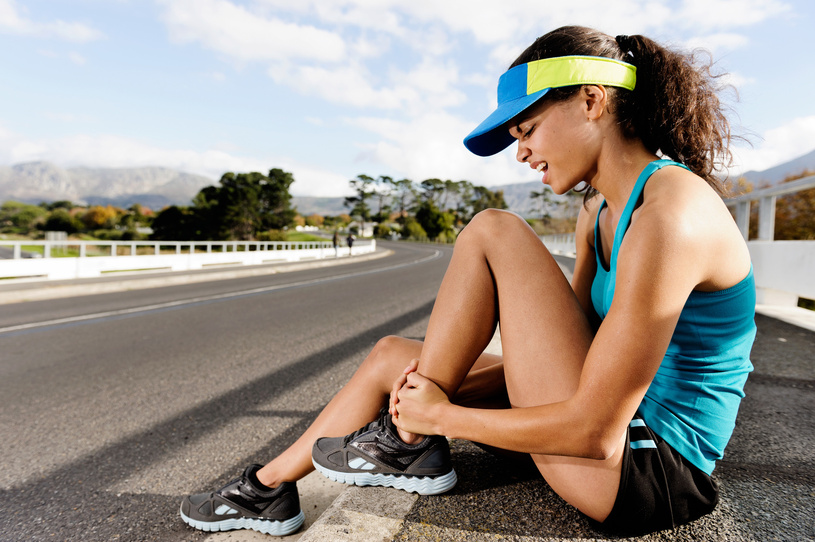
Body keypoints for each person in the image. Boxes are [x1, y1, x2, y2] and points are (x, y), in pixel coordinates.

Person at [179, 25, 756, 537]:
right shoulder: (598, 211)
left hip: (642, 470)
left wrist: (441, 416)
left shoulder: (670, 216)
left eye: (526, 128)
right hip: (602, 425)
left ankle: (407, 444)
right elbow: (571, 353)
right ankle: (267, 487)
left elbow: (594, 431)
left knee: (494, 231)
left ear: (592, 101)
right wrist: (420, 393)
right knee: (392, 359)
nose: (521, 151)